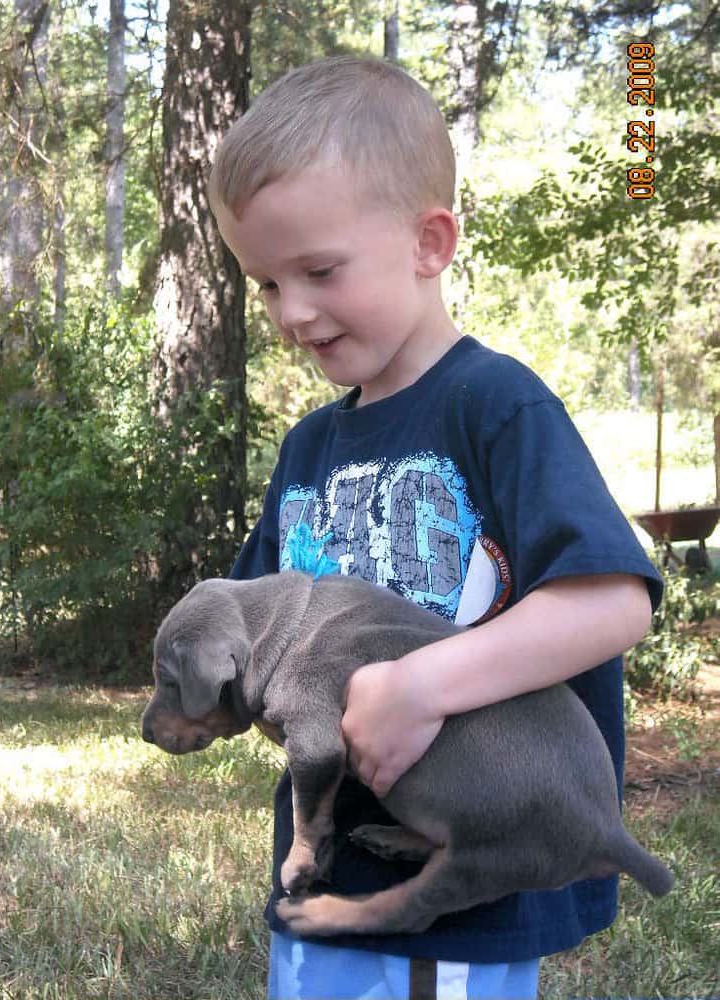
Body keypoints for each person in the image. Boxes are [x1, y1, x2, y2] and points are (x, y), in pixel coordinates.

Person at [208, 55, 663, 1000]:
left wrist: (422, 685)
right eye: (263, 284)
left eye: (319, 270)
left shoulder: (497, 407)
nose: (290, 313)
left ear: (430, 242)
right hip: (329, 871)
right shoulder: (305, 450)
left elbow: (612, 601)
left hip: (459, 899)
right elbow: (252, 638)